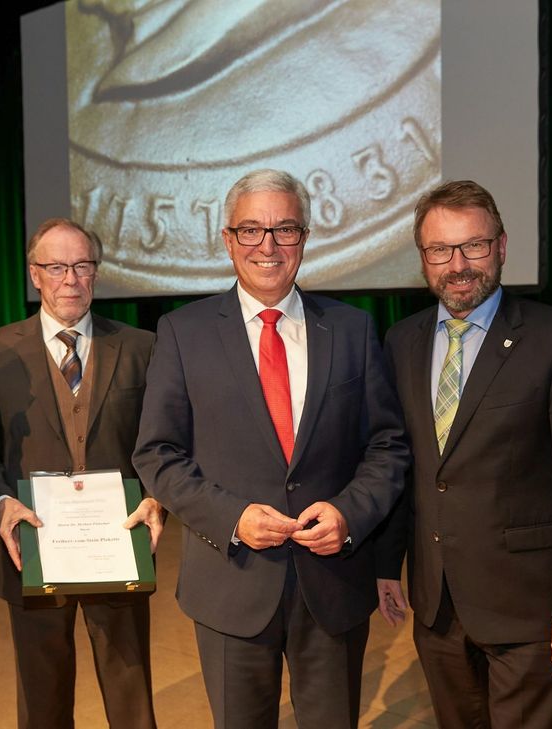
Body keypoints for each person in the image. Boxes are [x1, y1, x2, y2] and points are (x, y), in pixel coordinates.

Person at [133, 169, 409, 728]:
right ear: (228, 239)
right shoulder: (183, 333)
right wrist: (232, 517)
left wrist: (349, 513)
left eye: (285, 230)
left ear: (304, 239)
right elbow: (157, 453)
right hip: (230, 587)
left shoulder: (352, 329)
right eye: (252, 230)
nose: (268, 245)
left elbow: (388, 445)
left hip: (332, 586)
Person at [376, 180, 552, 729]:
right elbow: (404, 466)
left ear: (503, 247)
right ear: (423, 258)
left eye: (474, 246)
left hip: (530, 607)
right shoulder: (402, 341)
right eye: (440, 250)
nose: (457, 264)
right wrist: (386, 565)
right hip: (437, 603)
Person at [0, 218, 162, 729]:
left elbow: (161, 447)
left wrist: (157, 496)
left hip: (118, 549)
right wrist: (4, 506)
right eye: (56, 267)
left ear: (96, 273)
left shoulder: (140, 348)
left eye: (82, 266)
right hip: (33, 552)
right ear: (34, 274)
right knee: (43, 704)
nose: (70, 279)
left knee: (132, 702)